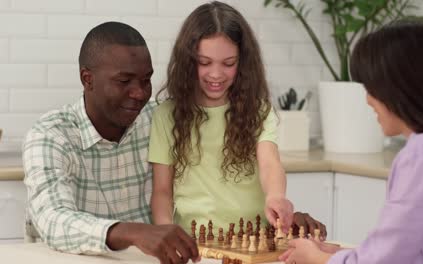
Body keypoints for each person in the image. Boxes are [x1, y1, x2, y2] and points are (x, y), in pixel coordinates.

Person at [279, 20, 423, 263]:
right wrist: (343, 255)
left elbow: (384, 259)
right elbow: (421, 247)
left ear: (398, 87)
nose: (368, 100)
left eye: (371, 88)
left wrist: (317, 258)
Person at [22, 22, 200, 264]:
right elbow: (52, 219)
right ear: (88, 79)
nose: (139, 93)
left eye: (146, 80)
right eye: (124, 81)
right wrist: (133, 232)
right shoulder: (51, 135)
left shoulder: (157, 120)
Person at [148, 1, 322, 238]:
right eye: (204, 62)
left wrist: (276, 196)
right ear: (188, 61)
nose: (216, 74)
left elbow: (270, 163)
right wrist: (165, 232)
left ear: (242, 63)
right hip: (194, 240)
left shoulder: (258, 110)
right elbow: (162, 191)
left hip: (252, 237)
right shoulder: (167, 115)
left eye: (228, 63)